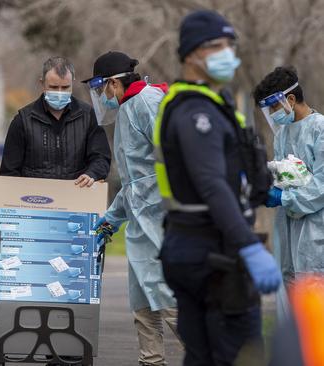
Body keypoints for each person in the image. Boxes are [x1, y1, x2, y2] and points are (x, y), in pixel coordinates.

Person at [153, 10, 281, 365]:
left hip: (196, 245)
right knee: (239, 355)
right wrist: (248, 247)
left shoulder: (209, 104)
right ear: (191, 54)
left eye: (230, 44)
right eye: (216, 46)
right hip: (211, 252)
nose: (228, 53)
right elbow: (211, 185)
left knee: (203, 357)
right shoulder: (197, 113)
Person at [85, 51, 179, 366]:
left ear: (113, 82)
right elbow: (133, 184)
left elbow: (176, 159)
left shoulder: (148, 103)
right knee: (144, 309)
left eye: (100, 88)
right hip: (143, 229)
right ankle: (151, 362)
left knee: (171, 304)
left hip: (162, 226)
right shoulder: (128, 109)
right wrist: (110, 221)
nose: (100, 96)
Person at [253, 66, 324, 320]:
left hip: (317, 226)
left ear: (290, 99)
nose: (272, 115)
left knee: (314, 286)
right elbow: (284, 173)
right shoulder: (282, 134)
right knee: (291, 283)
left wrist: (286, 198)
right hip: (289, 224)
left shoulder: (320, 129)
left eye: (273, 108)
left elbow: (322, 186)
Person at [0, 56, 110, 186]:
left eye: (65, 87)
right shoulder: (23, 121)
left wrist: (92, 174)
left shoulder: (88, 116)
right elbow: (9, 172)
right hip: (33, 201)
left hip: (77, 198)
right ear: (42, 84)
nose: (59, 93)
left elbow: (101, 158)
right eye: (53, 87)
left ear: (72, 83)